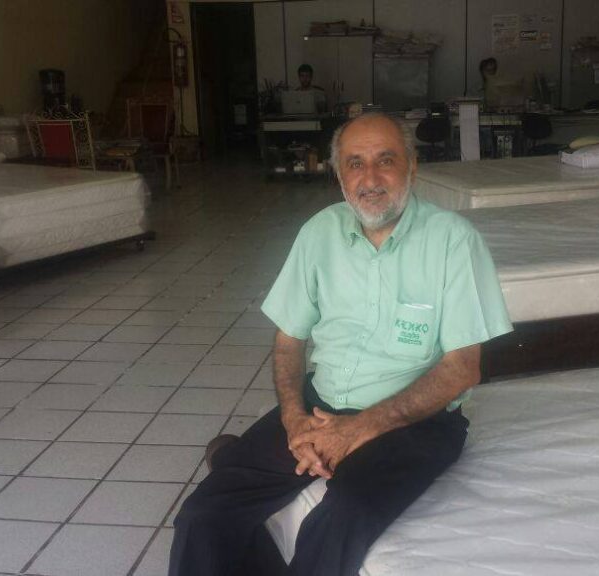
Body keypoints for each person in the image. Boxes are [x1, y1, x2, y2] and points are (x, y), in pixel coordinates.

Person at [168, 114, 513, 576]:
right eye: (355, 163)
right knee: (204, 515)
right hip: (319, 405)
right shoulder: (318, 233)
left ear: (411, 166)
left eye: (385, 160)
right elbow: (289, 339)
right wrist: (294, 418)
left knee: (340, 518)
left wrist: (357, 429)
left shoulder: (454, 241)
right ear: (339, 175)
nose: (370, 178)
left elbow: (462, 369)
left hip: (416, 423)